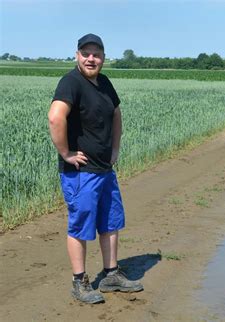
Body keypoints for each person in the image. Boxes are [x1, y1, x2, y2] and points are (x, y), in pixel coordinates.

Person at [48, 33, 143, 304]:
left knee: (110, 222)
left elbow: (115, 112)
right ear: (77, 55)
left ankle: (111, 274)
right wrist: (65, 153)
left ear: (103, 57)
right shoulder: (71, 82)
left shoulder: (103, 83)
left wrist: (115, 148)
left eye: (96, 54)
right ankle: (79, 282)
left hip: (104, 169)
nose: (91, 59)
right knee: (80, 225)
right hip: (81, 173)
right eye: (86, 53)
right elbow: (55, 117)